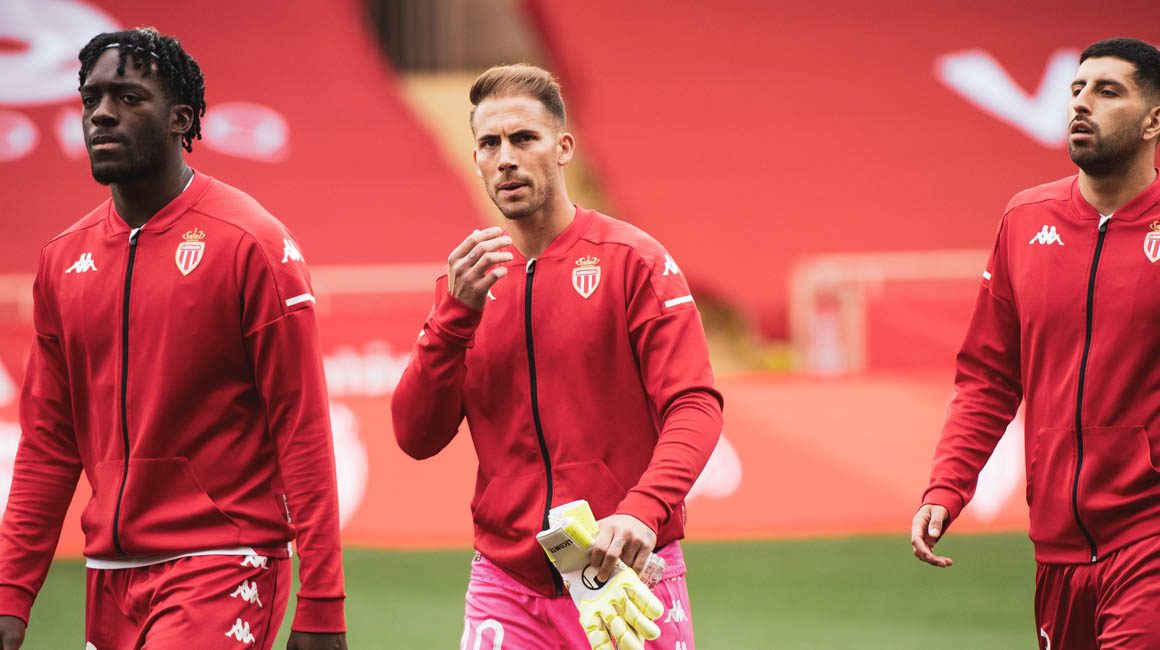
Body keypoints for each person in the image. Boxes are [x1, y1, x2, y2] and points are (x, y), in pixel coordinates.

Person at [0, 28, 347, 650]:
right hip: (110, 578)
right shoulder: (62, 260)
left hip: (225, 564)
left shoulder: (251, 243)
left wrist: (322, 601)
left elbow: (303, 430)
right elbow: (49, 443)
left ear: (180, 119)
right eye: (91, 99)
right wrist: (9, 594)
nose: (101, 114)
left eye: (128, 98)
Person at [391, 64, 723, 648]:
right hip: (505, 583)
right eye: (489, 144)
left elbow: (695, 404)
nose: (506, 159)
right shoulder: (465, 285)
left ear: (564, 147)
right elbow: (416, 435)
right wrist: (454, 317)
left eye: (524, 138)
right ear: (476, 159)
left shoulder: (632, 260)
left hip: (623, 568)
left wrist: (642, 510)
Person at [911, 37, 1160, 649]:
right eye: (1077, 89)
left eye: (1108, 92)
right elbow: (988, 379)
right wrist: (946, 486)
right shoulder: (1025, 220)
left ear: (1154, 120)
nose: (1081, 103)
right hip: (1055, 549)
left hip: (1151, 539)